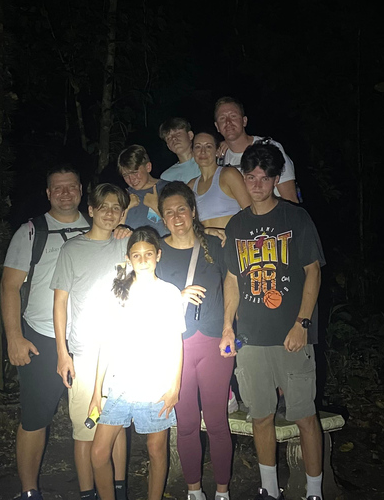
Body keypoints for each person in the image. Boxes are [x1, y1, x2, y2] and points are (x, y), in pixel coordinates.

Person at [221, 142, 325, 500]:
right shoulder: (237, 225)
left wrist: (303, 323)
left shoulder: (296, 218)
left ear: (276, 179)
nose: (257, 185)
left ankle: (314, 492)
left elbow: (312, 273)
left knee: (304, 417)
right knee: (260, 416)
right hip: (250, 339)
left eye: (265, 178)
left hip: (291, 337)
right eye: (251, 177)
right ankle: (269, 490)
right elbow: (232, 280)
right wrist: (227, 328)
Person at [1, 163, 90, 500]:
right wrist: (14, 337)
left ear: (81, 190)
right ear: (48, 193)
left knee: (94, 414)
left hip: (88, 339)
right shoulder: (31, 232)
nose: (65, 193)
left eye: (71, 186)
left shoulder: (100, 227)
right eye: (58, 188)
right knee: (35, 418)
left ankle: (94, 487)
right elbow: (10, 287)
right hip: (41, 338)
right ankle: (29, 491)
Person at [89, 227, 185, 500]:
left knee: (156, 449)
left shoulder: (168, 293)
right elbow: (106, 341)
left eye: (148, 254)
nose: (143, 259)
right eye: (136, 254)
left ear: (158, 255)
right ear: (128, 258)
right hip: (120, 385)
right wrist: (97, 391)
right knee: (98, 452)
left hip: (156, 385)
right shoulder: (119, 292)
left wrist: (174, 386)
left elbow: (175, 342)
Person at [50, 184, 131, 500]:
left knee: (117, 427)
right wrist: (62, 353)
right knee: (84, 431)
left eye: (117, 208)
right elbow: (60, 303)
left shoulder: (125, 246)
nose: (110, 213)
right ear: (92, 210)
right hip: (83, 352)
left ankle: (119, 490)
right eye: (105, 206)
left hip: (119, 354)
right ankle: (88, 494)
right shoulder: (72, 250)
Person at [155, 182, 234, 500]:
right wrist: (177, 298)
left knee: (217, 422)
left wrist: (229, 326)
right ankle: (193, 491)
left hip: (216, 342)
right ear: (162, 217)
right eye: (169, 212)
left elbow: (232, 283)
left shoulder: (214, 246)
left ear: (193, 211)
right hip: (176, 349)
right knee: (186, 423)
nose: (176, 217)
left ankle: (223, 492)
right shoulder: (156, 251)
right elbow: (145, 301)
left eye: (182, 209)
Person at [213, 96, 299, 203]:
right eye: (222, 118)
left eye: (233, 116)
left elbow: (291, 199)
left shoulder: (269, 147)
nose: (228, 122)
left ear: (244, 121)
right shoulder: (219, 159)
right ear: (217, 126)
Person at [187, 131, 251, 230]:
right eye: (198, 147)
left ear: (217, 151)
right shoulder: (190, 186)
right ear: (193, 152)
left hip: (230, 241)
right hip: (205, 242)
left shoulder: (228, 175)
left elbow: (251, 211)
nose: (203, 151)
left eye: (208, 146)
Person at [117, 144, 169, 235]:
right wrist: (127, 207)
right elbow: (114, 232)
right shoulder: (123, 196)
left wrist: (157, 207)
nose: (131, 179)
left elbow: (182, 227)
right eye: (125, 175)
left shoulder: (170, 189)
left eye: (135, 172)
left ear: (148, 167)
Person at [159, 117, 201, 183]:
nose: (174, 139)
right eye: (169, 138)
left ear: (190, 135)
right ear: (168, 146)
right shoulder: (166, 177)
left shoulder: (208, 160)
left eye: (178, 134)